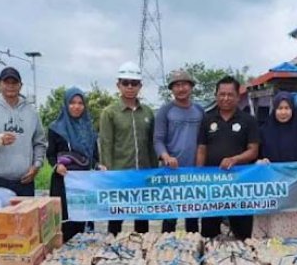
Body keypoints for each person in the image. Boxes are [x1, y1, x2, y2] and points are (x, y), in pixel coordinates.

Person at [197, 76, 260, 239]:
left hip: (240, 186)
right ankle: (208, 264)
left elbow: (253, 151)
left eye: (230, 94)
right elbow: (201, 149)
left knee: (242, 235)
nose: (225, 98)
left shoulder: (249, 121)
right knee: (208, 235)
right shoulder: (206, 119)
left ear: (238, 96)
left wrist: (234, 159)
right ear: (216, 95)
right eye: (222, 94)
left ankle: (245, 263)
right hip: (212, 186)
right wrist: (197, 176)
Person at [100, 62, 157, 235]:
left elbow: (151, 145)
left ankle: (142, 250)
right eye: (125, 83)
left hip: (143, 175)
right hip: (119, 175)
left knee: (142, 220)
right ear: (118, 85)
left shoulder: (147, 113)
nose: (130, 87)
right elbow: (106, 143)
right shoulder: (109, 113)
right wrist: (107, 170)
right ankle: (112, 253)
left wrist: (154, 172)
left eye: (134, 83)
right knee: (116, 218)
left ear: (140, 86)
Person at [0, 66, 46, 196]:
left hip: (25, 181)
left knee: (25, 216)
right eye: (7, 82)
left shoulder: (31, 112)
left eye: (14, 83)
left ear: (20, 85)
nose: (10, 86)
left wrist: (37, 165)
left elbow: (39, 142)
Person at [47, 87, 102, 240]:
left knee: (82, 220)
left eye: (80, 103)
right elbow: (50, 154)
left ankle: (82, 259)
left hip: (84, 181)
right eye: (72, 103)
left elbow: (94, 156)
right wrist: (57, 166)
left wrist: (98, 165)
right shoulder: (56, 128)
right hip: (63, 181)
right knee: (65, 222)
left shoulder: (89, 129)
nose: (76, 106)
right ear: (66, 104)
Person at [154, 68, 205, 234]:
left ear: (191, 87)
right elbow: (158, 140)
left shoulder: (199, 110)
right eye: (176, 85)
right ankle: (163, 253)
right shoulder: (165, 111)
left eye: (184, 84)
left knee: (192, 216)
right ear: (171, 89)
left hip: (195, 172)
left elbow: (204, 141)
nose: (181, 88)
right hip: (172, 172)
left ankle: (194, 252)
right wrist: (166, 156)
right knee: (170, 216)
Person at [252, 91, 297, 239]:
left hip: (293, 191)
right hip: (270, 190)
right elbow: (257, 156)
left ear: (292, 110)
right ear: (274, 109)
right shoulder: (264, 131)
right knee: (270, 230)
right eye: (280, 108)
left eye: (287, 108)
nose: (283, 112)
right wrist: (260, 161)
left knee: (291, 233)